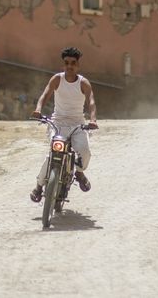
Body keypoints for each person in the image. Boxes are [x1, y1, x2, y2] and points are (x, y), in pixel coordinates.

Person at [30, 45, 97, 204]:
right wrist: (38, 109)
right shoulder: (57, 79)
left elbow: (91, 102)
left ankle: (79, 173)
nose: (69, 66)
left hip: (77, 125)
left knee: (85, 152)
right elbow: (45, 94)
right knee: (53, 155)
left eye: (73, 63)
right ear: (63, 64)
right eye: (66, 63)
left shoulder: (83, 83)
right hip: (58, 124)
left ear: (78, 65)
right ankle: (39, 186)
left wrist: (92, 120)